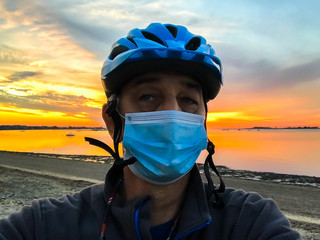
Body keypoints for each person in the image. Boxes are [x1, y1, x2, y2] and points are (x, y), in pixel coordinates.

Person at [0, 23, 301, 240]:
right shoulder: (46, 224)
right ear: (112, 119)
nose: (172, 113)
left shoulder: (249, 221)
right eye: (148, 97)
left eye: (188, 101)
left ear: (204, 123)